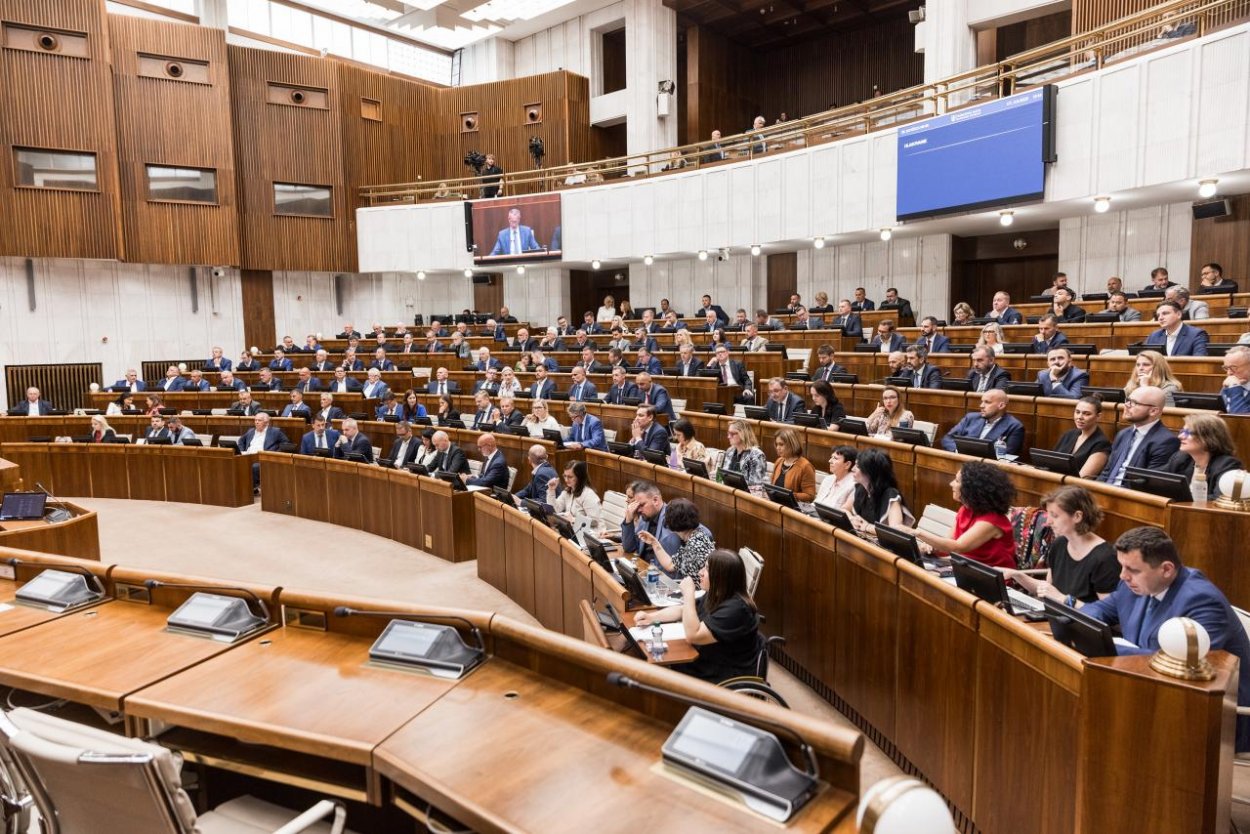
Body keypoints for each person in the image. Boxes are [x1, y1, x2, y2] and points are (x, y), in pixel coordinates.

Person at [1079, 527, 1250, 751]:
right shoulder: (1134, 585)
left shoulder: (1202, 601)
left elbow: (1183, 665)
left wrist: (1106, 646)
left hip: (1218, 714)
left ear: (1166, 569)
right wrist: (1083, 627)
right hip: (1157, 691)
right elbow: (1098, 609)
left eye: (1132, 569)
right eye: (1122, 566)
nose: (1122, 576)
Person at [633, 548, 762, 685]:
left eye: (706, 569)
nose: (700, 572)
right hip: (706, 661)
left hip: (721, 675)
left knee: (652, 674)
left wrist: (689, 593)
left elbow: (693, 635)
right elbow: (683, 610)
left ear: (720, 577)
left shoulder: (736, 609)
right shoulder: (717, 593)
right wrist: (651, 617)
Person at [1011, 486, 1119, 604]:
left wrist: (1065, 600)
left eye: (1055, 516)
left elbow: (1108, 614)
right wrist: (1016, 575)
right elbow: (1048, 590)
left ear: (1077, 516)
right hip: (1055, 617)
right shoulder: (1059, 544)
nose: (1047, 522)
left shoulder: (1106, 558)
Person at [914, 461, 1017, 569]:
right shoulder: (965, 510)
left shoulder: (992, 520)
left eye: (957, 481)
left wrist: (917, 533)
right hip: (965, 569)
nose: (951, 484)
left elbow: (958, 547)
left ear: (972, 488)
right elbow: (949, 543)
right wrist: (932, 547)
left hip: (993, 579)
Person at [1097, 385, 1179, 484]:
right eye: (1128, 400)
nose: (1126, 405)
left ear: (1153, 411)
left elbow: (1149, 484)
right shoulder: (1123, 434)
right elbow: (1107, 472)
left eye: (1134, 403)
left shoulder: (1166, 441)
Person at [1163, 413, 1243, 498]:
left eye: (1188, 433)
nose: (1180, 436)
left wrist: (1179, 497)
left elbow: (1219, 499)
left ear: (1207, 437)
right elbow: (1155, 479)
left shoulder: (1227, 465)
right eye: (1182, 431)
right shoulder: (1181, 458)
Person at [637, 497, 715, 580]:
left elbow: (691, 584)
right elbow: (670, 565)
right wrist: (654, 542)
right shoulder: (696, 536)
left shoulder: (695, 544)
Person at [846, 448, 914, 532]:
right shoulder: (860, 488)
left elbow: (896, 531)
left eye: (857, 466)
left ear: (870, 471)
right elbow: (844, 509)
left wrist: (868, 527)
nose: (852, 469)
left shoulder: (890, 494)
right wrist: (852, 519)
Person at [940, 389, 1026, 456]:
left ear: (1001, 406)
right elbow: (947, 438)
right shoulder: (970, 418)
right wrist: (957, 451)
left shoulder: (1014, 426)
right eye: (982, 401)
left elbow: (1008, 455)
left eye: (987, 402)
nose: (981, 406)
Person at [1052, 394, 1112, 478]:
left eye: (1086, 414)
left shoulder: (1102, 444)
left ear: (1098, 416)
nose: (1080, 417)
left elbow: (1082, 479)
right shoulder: (1068, 434)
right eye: (1077, 412)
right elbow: (1051, 462)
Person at [547, 460, 603, 531]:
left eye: (570, 477)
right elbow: (555, 509)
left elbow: (595, 521)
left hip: (589, 534)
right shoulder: (568, 491)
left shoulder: (588, 495)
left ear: (579, 477)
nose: (566, 480)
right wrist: (551, 491)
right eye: (565, 476)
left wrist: (573, 519)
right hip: (574, 530)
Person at [1143, 301, 1209, 356]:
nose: (1160, 318)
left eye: (1165, 313)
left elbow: (1199, 361)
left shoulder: (1197, 335)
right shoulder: (1154, 336)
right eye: (1158, 315)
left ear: (1179, 314)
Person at [718, 419, 767, 488]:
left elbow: (756, 486)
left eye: (732, 434)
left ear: (743, 434)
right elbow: (720, 477)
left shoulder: (756, 455)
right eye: (728, 433)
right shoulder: (730, 451)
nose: (728, 437)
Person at [771, 428, 816, 502]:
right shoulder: (779, 461)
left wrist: (790, 495)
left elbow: (810, 496)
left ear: (792, 444)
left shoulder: (805, 466)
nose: (778, 448)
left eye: (781, 444)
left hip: (792, 508)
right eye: (777, 444)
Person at [813, 445, 857, 511]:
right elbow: (815, 503)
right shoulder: (828, 479)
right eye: (831, 457)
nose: (830, 461)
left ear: (847, 464)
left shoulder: (854, 486)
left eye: (835, 458)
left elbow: (843, 513)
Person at [1221, 345, 1250, 414]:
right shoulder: (1230, 383)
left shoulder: (1233, 385)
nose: (1229, 373)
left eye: (1233, 368)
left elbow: (1241, 420)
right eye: (1226, 368)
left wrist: (1235, 387)